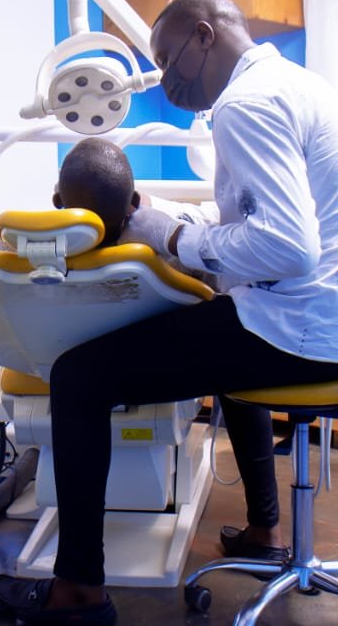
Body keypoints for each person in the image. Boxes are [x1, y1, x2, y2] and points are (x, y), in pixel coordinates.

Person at [0, 0, 338, 625]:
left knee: (79, 376)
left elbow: (287, 247)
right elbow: (259, 222)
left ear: (205, 35)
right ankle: (266, 529)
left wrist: (173, 239)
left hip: (299, 327)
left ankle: (78, 591)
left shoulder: (244, 106)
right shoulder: (300, 85)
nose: (165, 81)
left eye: (169, 59)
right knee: (226, 340)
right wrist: (181, 224)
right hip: (337, 320)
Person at [53, 136, 289, 566]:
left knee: (233, 373)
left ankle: (76, 584)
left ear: (134, 205)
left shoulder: (173, 228)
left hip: (230, 314)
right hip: (121, 336)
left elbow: (229, 289)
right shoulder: (49, 233)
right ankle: (266, 530)